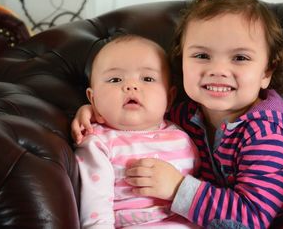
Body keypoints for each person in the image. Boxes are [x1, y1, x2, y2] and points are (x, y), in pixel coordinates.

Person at [72, 0, 283, 228]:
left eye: (239, 57)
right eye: (202, 55)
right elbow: (141, 108)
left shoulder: (268, 133)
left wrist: (179, 188)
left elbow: (248, 220)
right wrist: (95, 110)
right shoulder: (187, 113)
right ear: (181, 64)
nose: (218, 69)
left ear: (266, 72)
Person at [75, 33, 200, 229]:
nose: (131, 86)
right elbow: (96, 210)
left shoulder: (183, 134)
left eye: (148, 78)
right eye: (115, 79)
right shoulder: (98, 143)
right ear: (93, 98)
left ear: (170, 98)